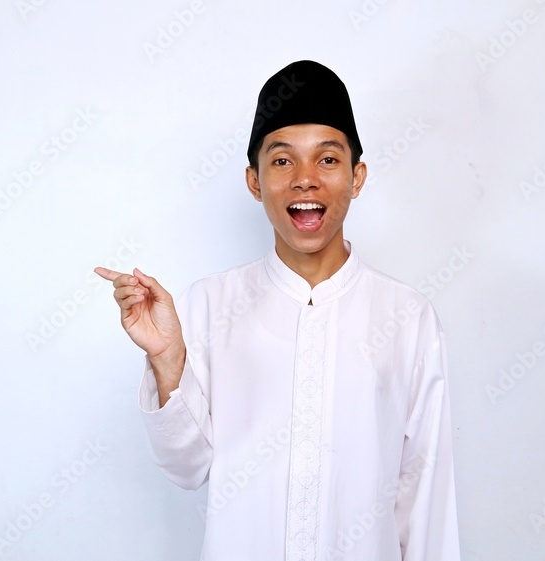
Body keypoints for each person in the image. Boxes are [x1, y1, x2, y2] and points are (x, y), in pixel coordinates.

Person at [95, 60, 460, 561]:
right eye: (283, 160)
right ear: (254, 181)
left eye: (327, 159)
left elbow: (426, 497)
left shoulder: (408, 317)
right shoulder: (210, 304)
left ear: (357, 177)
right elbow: (187, 468)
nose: (305, 180)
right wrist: (167, 361)